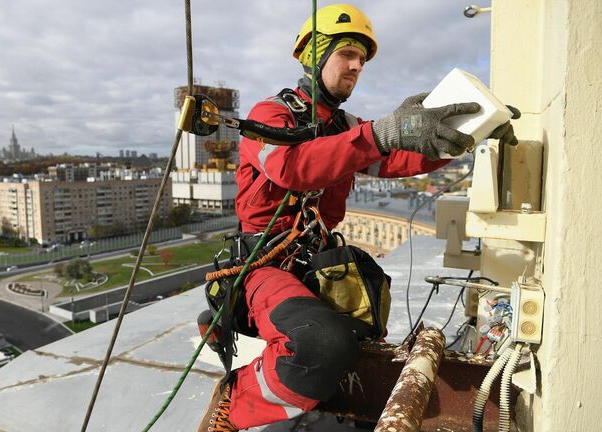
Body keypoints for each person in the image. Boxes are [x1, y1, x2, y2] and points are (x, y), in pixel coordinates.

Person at [197, 4, 517, 431]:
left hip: (318, 260)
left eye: (362, 60)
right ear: (314, 54)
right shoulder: (268, 116)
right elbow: (293, 167)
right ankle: (235, 402)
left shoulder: (344, 126)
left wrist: (468, 134)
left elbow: (397, 158)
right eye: (348, 53)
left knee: (367, 333)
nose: (357, 66)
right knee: (320, 343)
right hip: (265, 264)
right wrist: (381, 134)